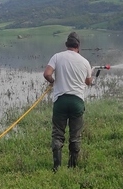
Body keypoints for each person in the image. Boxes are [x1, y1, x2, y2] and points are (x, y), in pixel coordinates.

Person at [43, 32, 94, 172]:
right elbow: (89, 82)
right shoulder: (85, 62)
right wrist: (89, 76)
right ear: (78, 46)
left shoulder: (57, 57)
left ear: (67, 45)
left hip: (60, 101)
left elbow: (47, 74)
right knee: (75, 136)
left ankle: (57, 168)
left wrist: (53, 81)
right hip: (77, 102)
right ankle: (72, 167)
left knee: (58, 134)